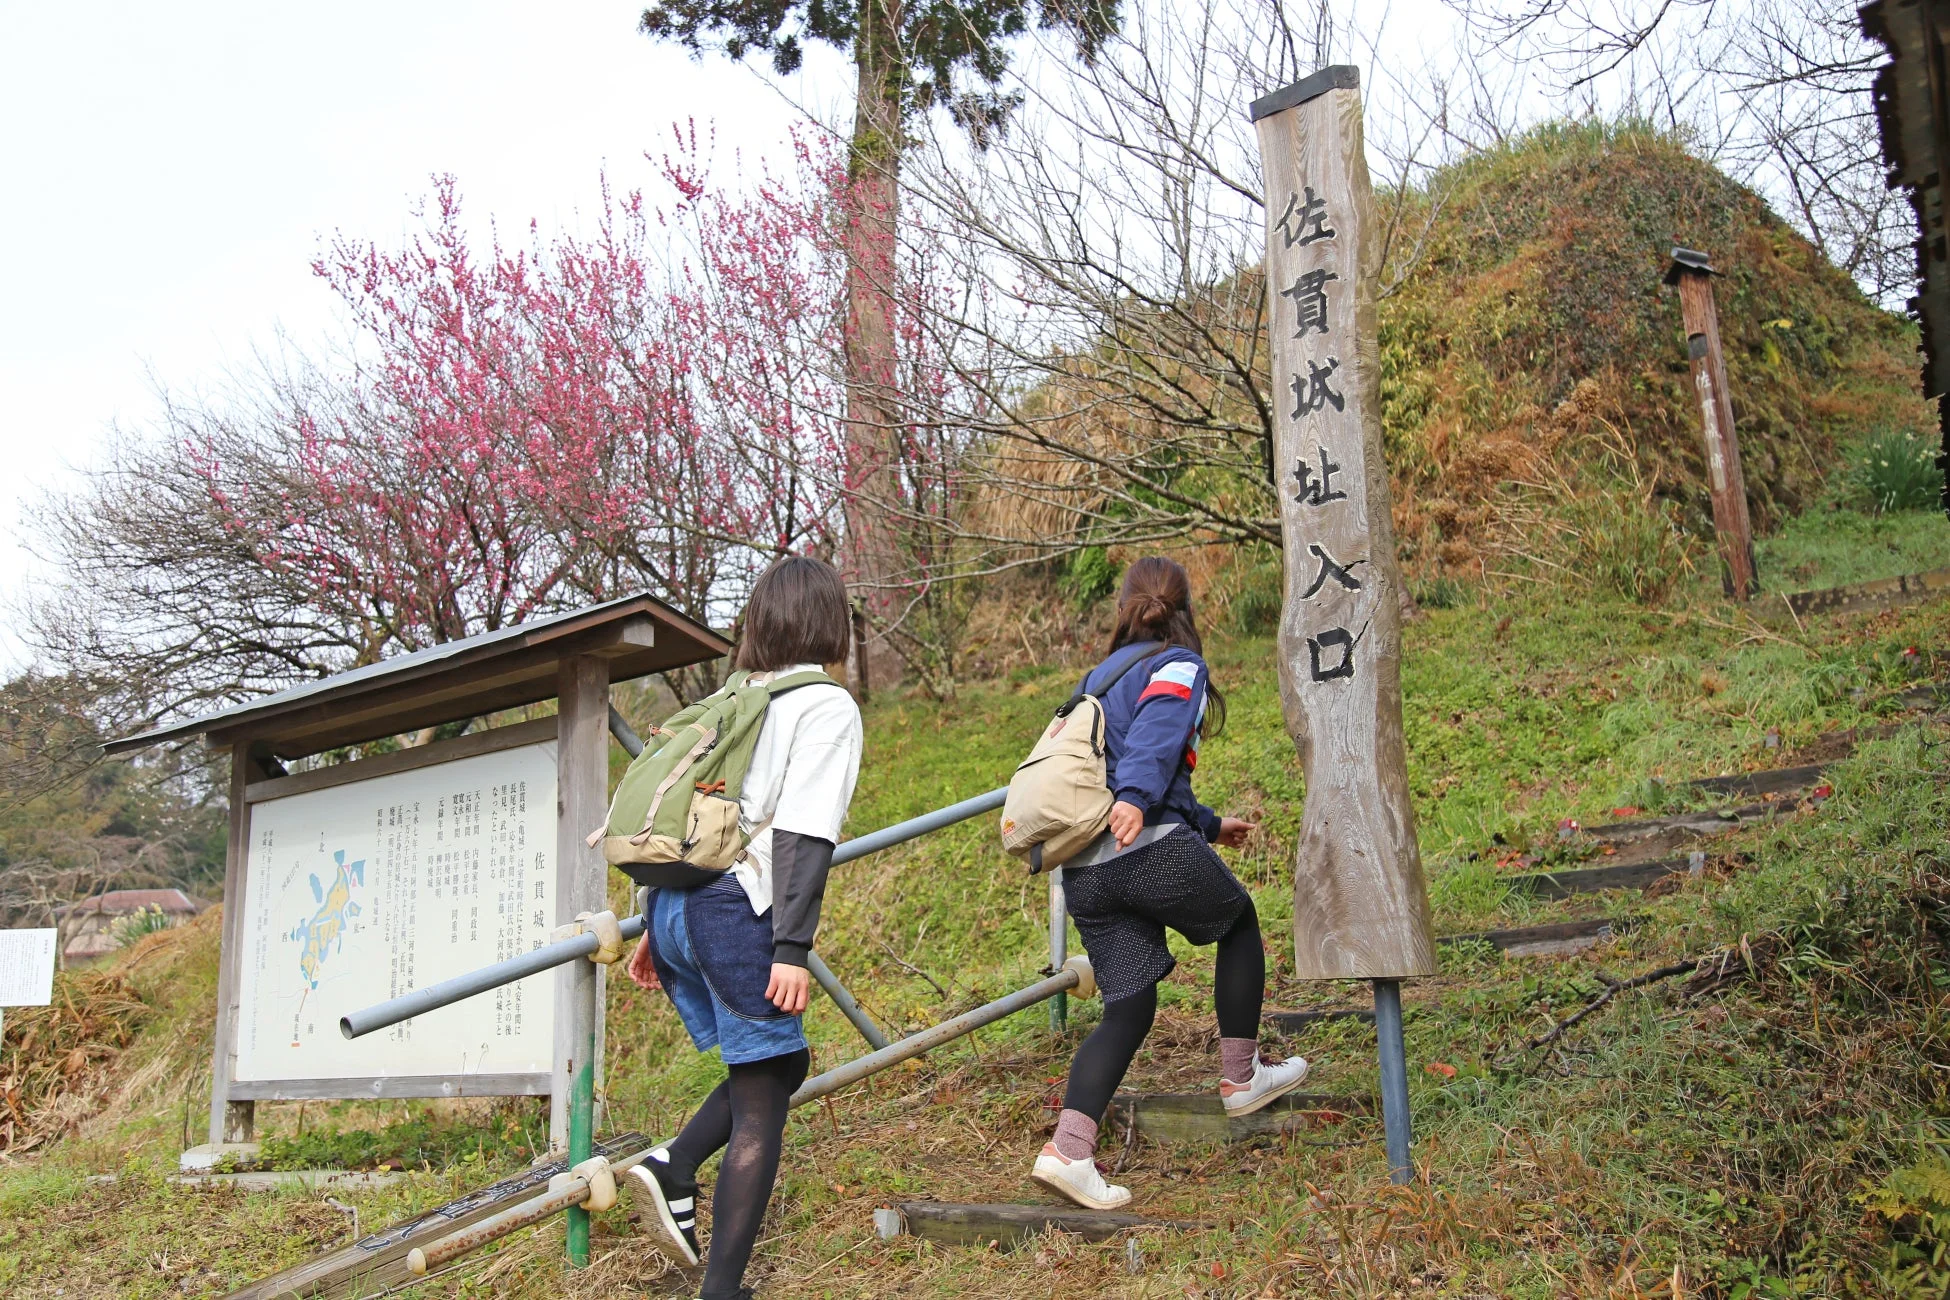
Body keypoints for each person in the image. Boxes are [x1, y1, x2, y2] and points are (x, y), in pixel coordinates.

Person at [1030, 556, 1309, 1210]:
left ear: (1123, 609)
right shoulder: (1177, 663)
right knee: (1237, 921)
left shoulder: (1097, 678)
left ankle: (1068, 1151)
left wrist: (1209, 826)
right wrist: (1134, 799)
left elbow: (1117, 763)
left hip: (1086, 868)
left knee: (1128, 1007)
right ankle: (1241, 1078)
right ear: (1183, 608)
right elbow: (1156, 736)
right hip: (1143, 845)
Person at [621, 555, 861, 1300]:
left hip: (677, 904)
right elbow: (804, 834)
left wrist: (655, 926)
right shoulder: (824, 706)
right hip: (734, 912)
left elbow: (686, 817)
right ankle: (720, 1288)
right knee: (761, 1101)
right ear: (832, 623)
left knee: (780, 1067)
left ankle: (674, 1164)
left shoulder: (735, 697)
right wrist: (792, 948)